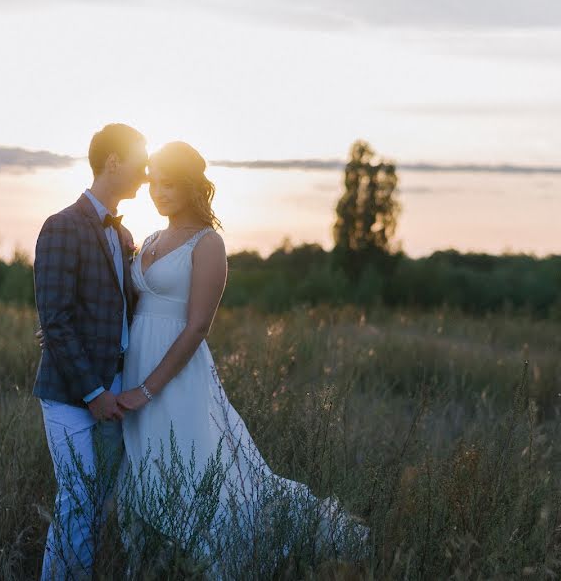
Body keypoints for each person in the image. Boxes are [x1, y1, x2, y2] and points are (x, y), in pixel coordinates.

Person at [113, 141, 368, 574]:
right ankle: (146, 561)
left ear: (193, 186)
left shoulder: (207, 244)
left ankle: (237, 553)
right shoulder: (151, 238)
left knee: (194, 463)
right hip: (136, 363)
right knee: (144, 464)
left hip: (173, 375)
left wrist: (146, 389)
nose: (158, 192)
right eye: (154, 182)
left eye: (169, 184)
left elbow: (197, 327)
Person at [33, 123, 148, 579]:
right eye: (140, 161)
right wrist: (93, 392)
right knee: (77, 499)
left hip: (118, 389)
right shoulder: (60, 226)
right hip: (69, 393)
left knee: (98, 506)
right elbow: (55, 320)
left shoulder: (124, 235)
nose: (145, 172)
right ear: (114, 162)